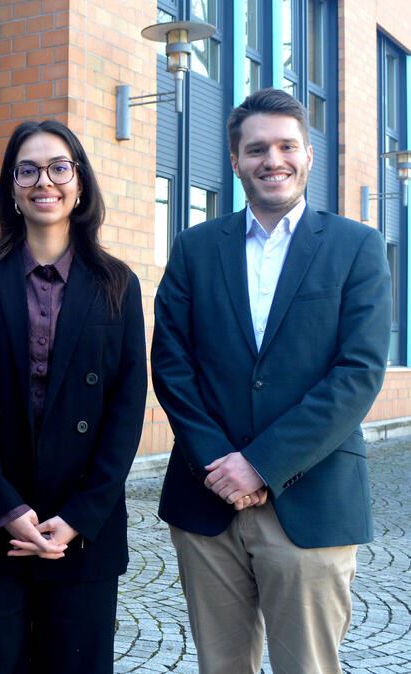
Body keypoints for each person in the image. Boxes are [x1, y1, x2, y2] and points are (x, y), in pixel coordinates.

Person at [151, 88, 391, 674]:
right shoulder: (195, 248)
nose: (272, 160)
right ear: (234, 161)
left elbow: (358, 373)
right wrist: (219, 462)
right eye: (256, 148)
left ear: (308, 155)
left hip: (312, 500)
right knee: (221, 666)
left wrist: (260, 464)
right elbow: (172, 365)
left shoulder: (356, 247)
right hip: (206, 499)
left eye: (287, 146)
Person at [0, 119, 147, 674]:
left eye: (58, 167)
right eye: (27, 169)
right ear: (11, 187)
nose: (43, 181)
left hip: (81, 531)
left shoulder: (118, 283)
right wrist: (7, 508)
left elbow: (126, 409)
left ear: (80, 183)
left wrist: (76, 516)